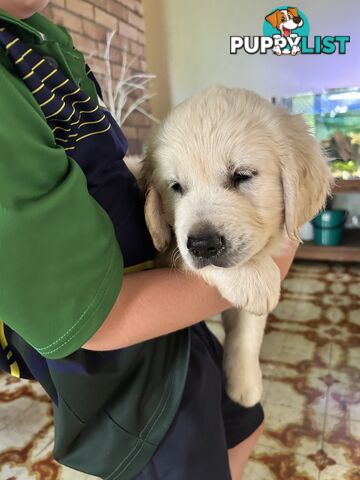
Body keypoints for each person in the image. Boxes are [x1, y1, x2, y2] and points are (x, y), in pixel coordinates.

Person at [0, 1, 297, 478]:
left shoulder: (36, 36)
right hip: (122, 378)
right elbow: (92, 319)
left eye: (241, 175)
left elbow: (111, 173)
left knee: (243, 425)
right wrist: (269, 261)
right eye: (177, 187)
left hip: (173, 324)